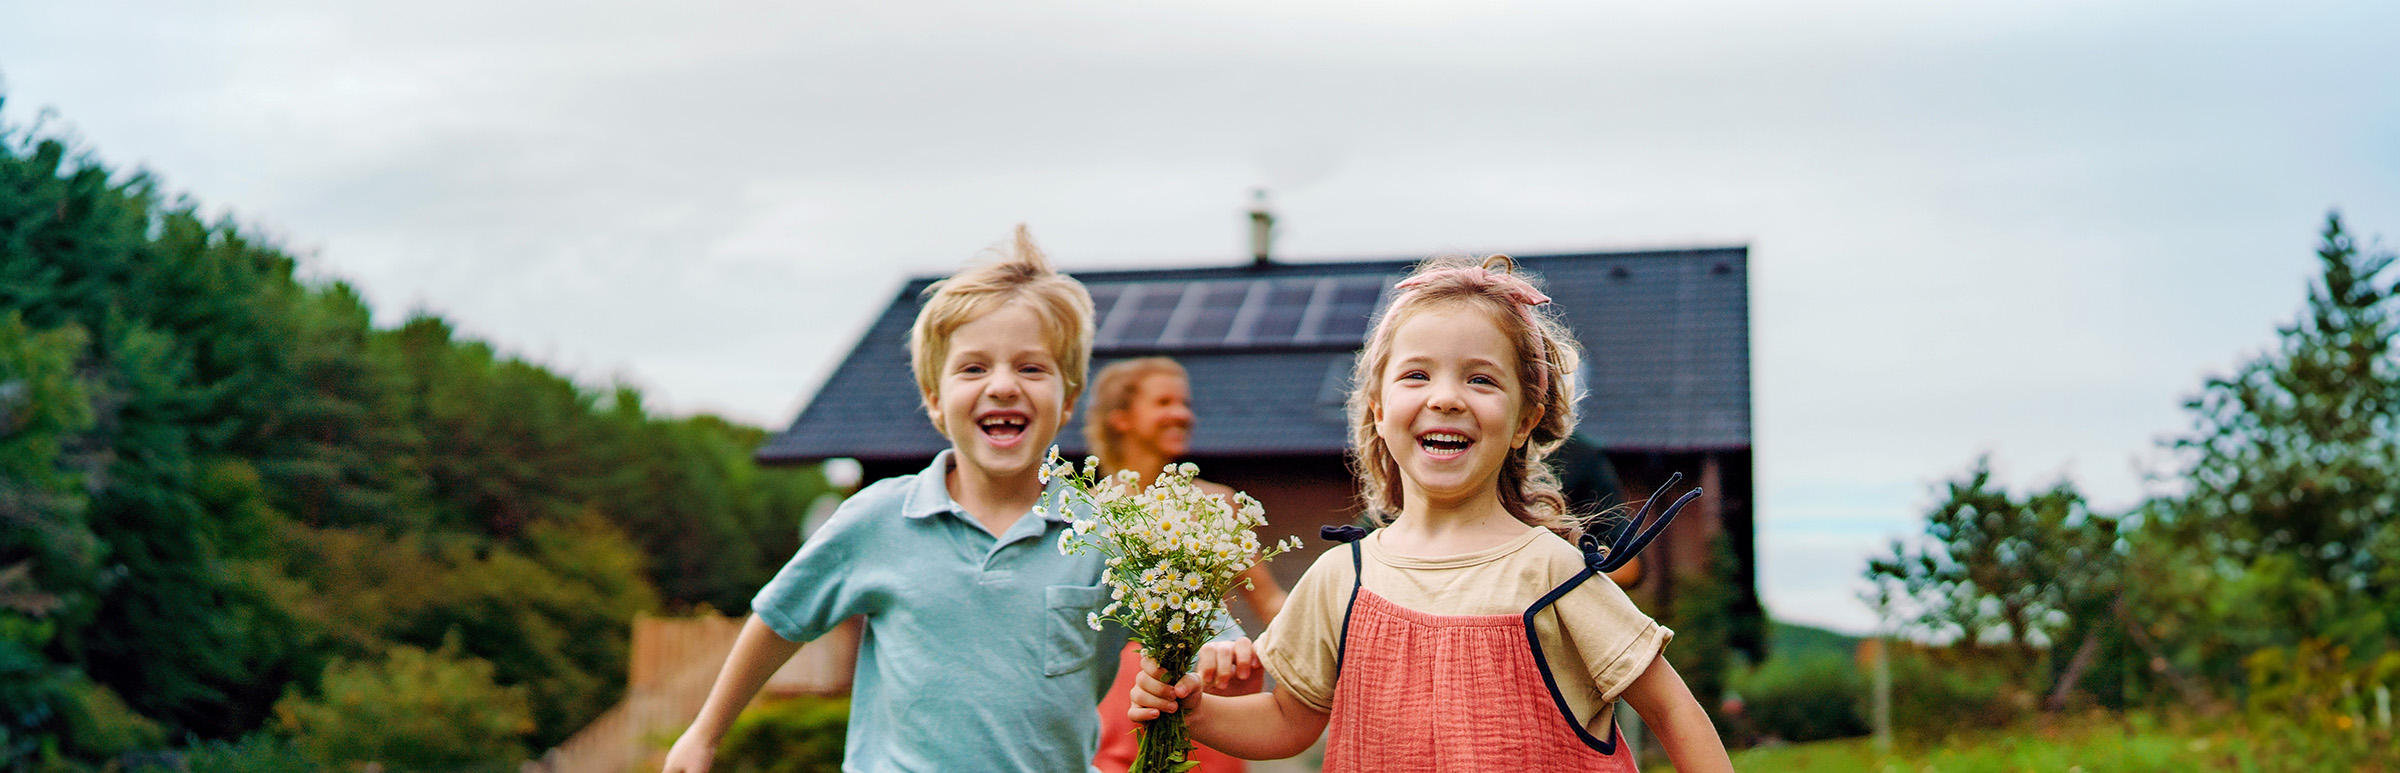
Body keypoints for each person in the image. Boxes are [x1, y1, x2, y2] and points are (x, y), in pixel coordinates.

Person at [662, 227, 1244, 772]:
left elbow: (1202, 627)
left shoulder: (1110, 533)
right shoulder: (878, 519)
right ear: (936, 400)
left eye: (1030, 367)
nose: (1001, 384)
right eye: (973, 367)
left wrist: (1225, 646)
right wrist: (704, 733)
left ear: (1067, 401)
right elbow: (779, 620)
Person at [1127, 256, 1734, 772]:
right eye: (1417, 374)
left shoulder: (1555, 572)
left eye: (1480, 379)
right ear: (1378, 409)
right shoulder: (1342, 578)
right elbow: (1289, 720)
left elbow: (1672, 710)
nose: (1445, 397)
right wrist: (1196, 712)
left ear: (1526, 418)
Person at [1084, 357, 1288, 773]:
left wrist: (1331, 651)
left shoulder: (1218, 503)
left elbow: (1270, 601)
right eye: (1164, 402)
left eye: (1185, 403)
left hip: (1209, 687)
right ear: (1120, 418)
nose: (1182, 414)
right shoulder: (1088, 510)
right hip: (1118, 694)